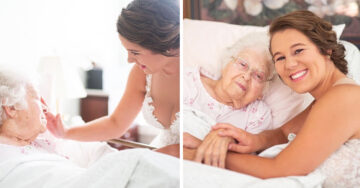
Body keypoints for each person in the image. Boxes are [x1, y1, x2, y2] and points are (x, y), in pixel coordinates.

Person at [185, 10, 360, 187]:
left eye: (298, 50)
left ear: (326, 49)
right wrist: (249, 139)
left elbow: (280, 169)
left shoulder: (344, 97)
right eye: (280, 57)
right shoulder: (326, 99)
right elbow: (283, 133)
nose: (289, 64)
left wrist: (197, 154)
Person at [0, 68, 179, 187]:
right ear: (12, 108)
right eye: (37, 98)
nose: (45, 107)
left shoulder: (47, 140)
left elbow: (105, 157)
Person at [46, 0, 180, 149]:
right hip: (162, 155)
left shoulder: (201, 73)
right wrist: (65, 132)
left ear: (164, 45)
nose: (129, 60)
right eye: (128, 51)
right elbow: (115, 123)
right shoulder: (140, 73)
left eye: (135, 52)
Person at [183, 32, 275, 168]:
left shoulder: (257, 115)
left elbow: (247, 164)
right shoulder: (187, 81)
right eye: (243, 64)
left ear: (262, 91)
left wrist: (198, 144)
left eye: (258, 76)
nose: (247, 76)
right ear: (226, 64)